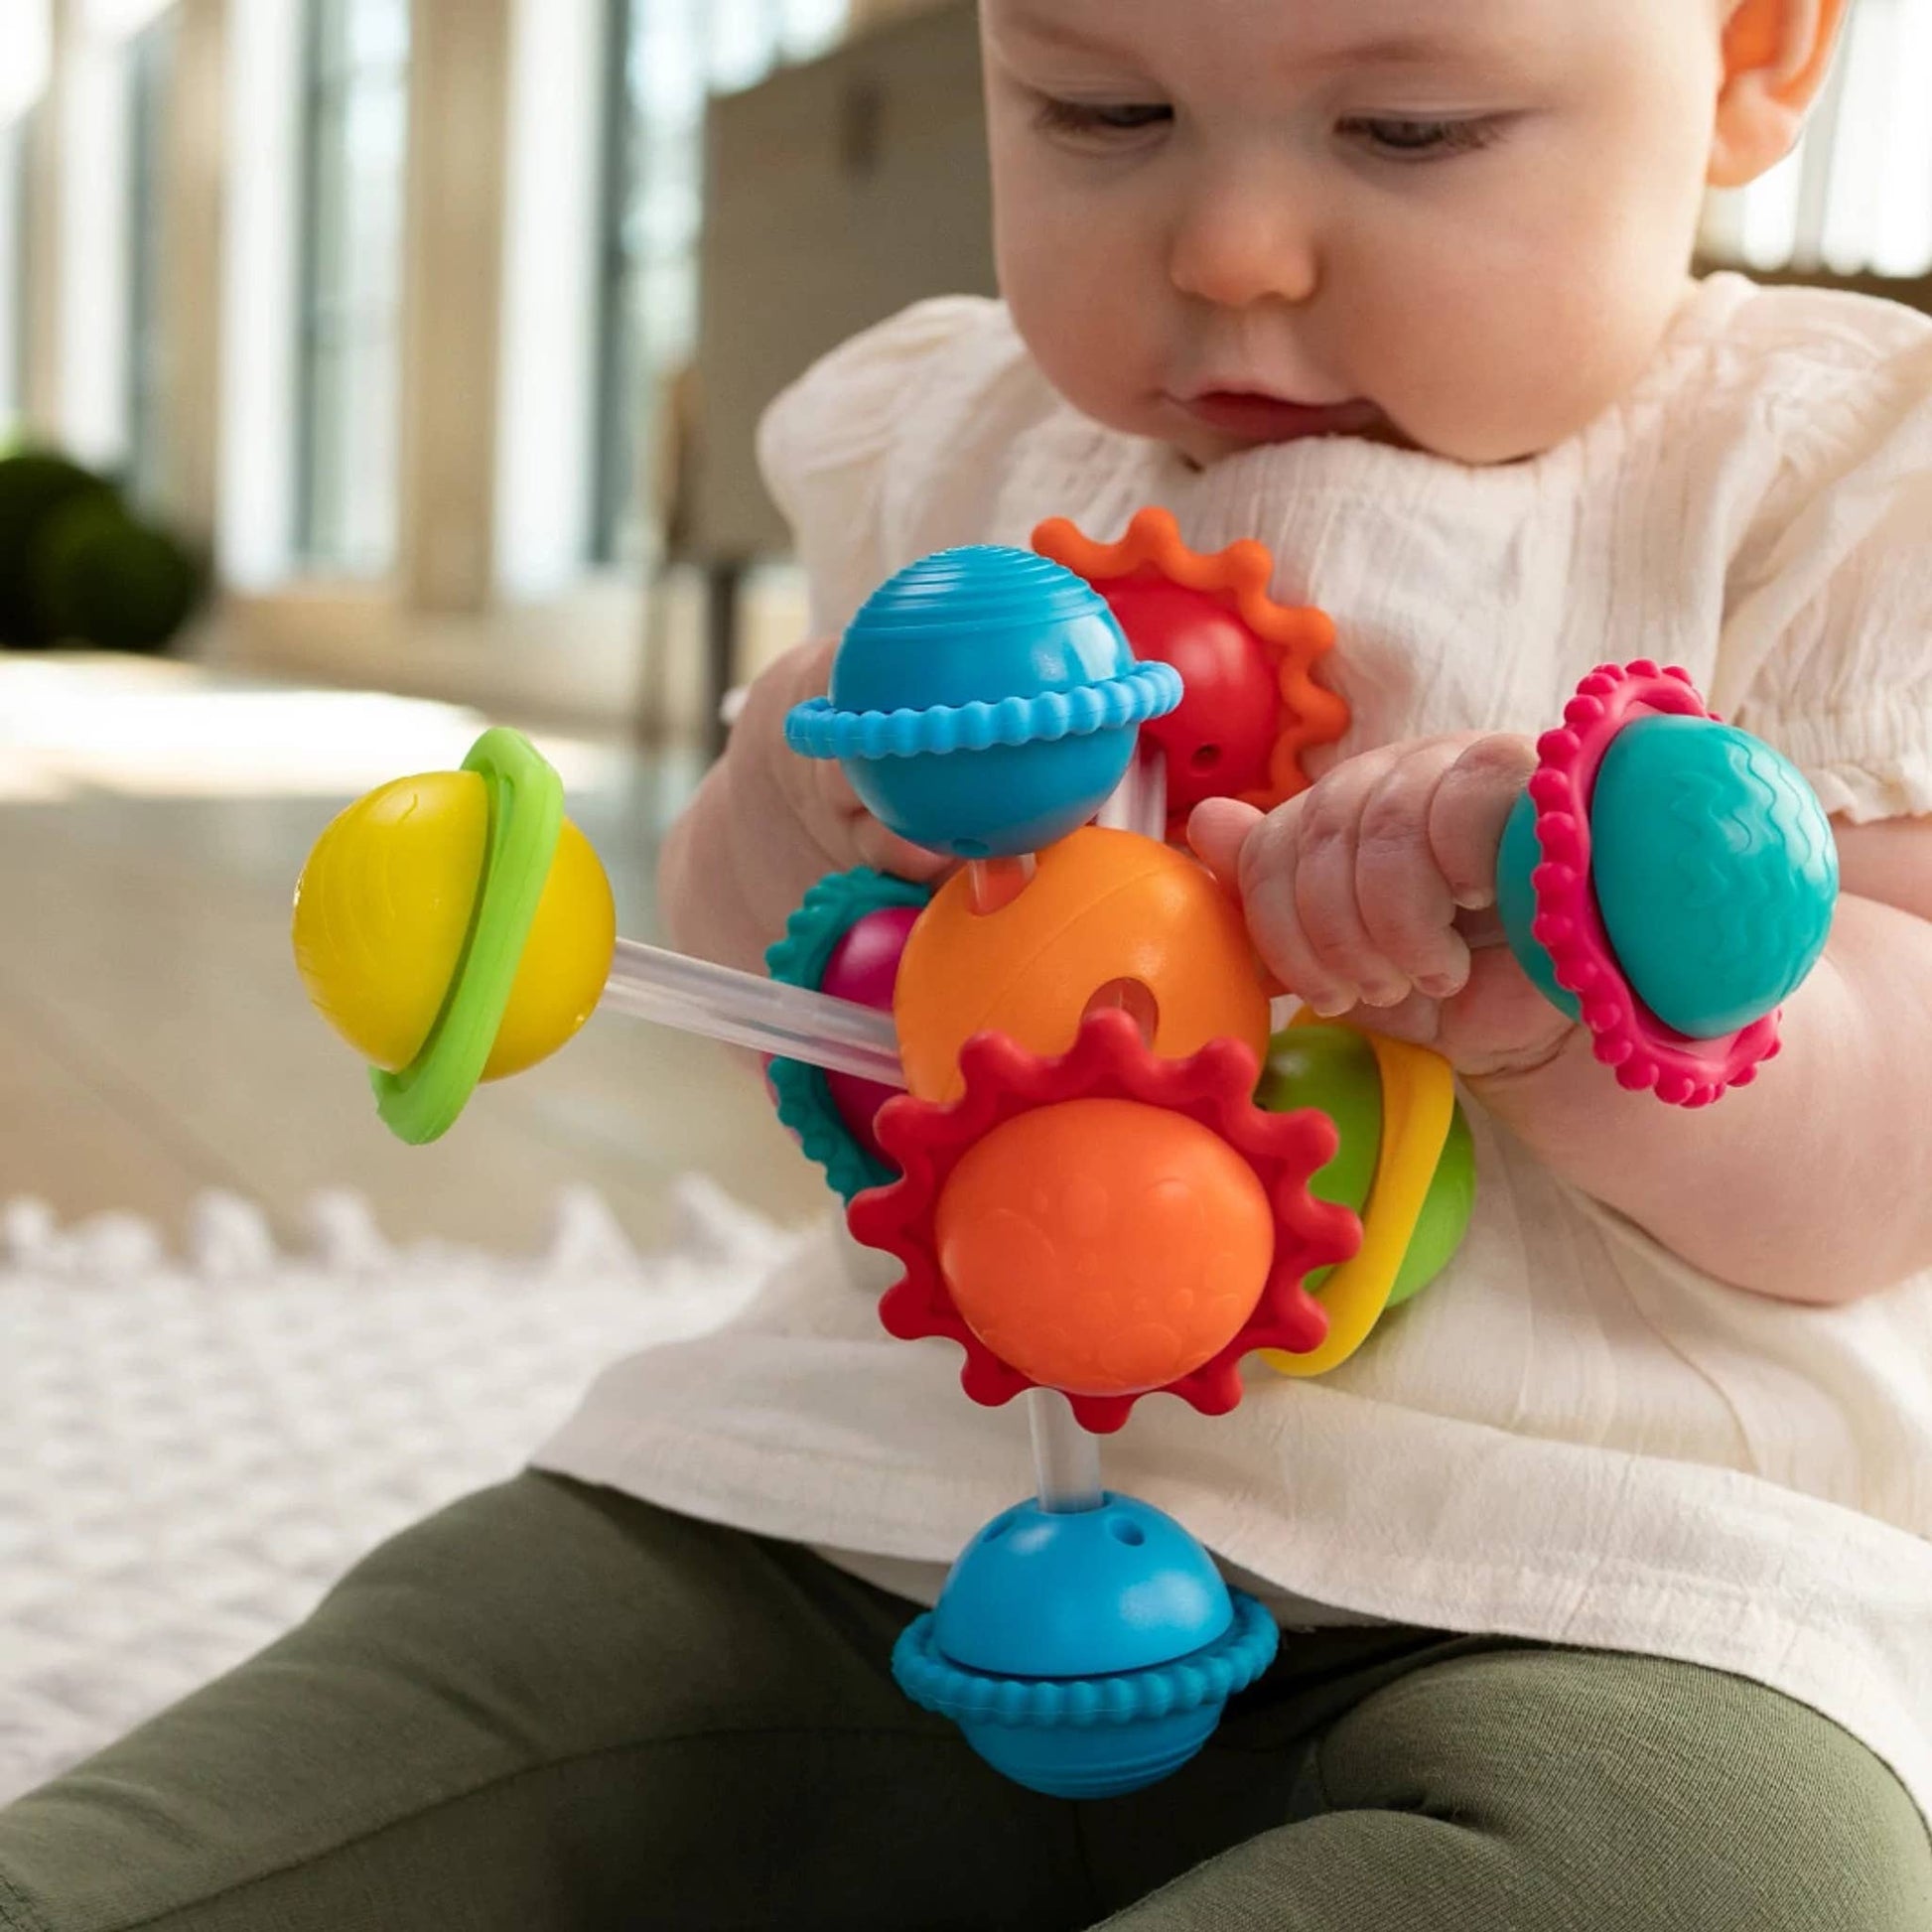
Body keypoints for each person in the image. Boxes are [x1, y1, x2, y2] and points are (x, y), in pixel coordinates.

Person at [4, 0, 1929, 1925]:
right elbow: (767, 963)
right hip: (868, 1516)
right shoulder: (956, 439)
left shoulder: (1816, 471)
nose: (1228, 246)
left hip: (1589, 1586)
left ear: (1755, 52)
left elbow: (1883, 1161)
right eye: (1103, 109)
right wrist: (809, 793)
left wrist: (1557, 1000)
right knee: (443, 1673)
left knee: (1738, 1859)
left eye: (1409, 131)